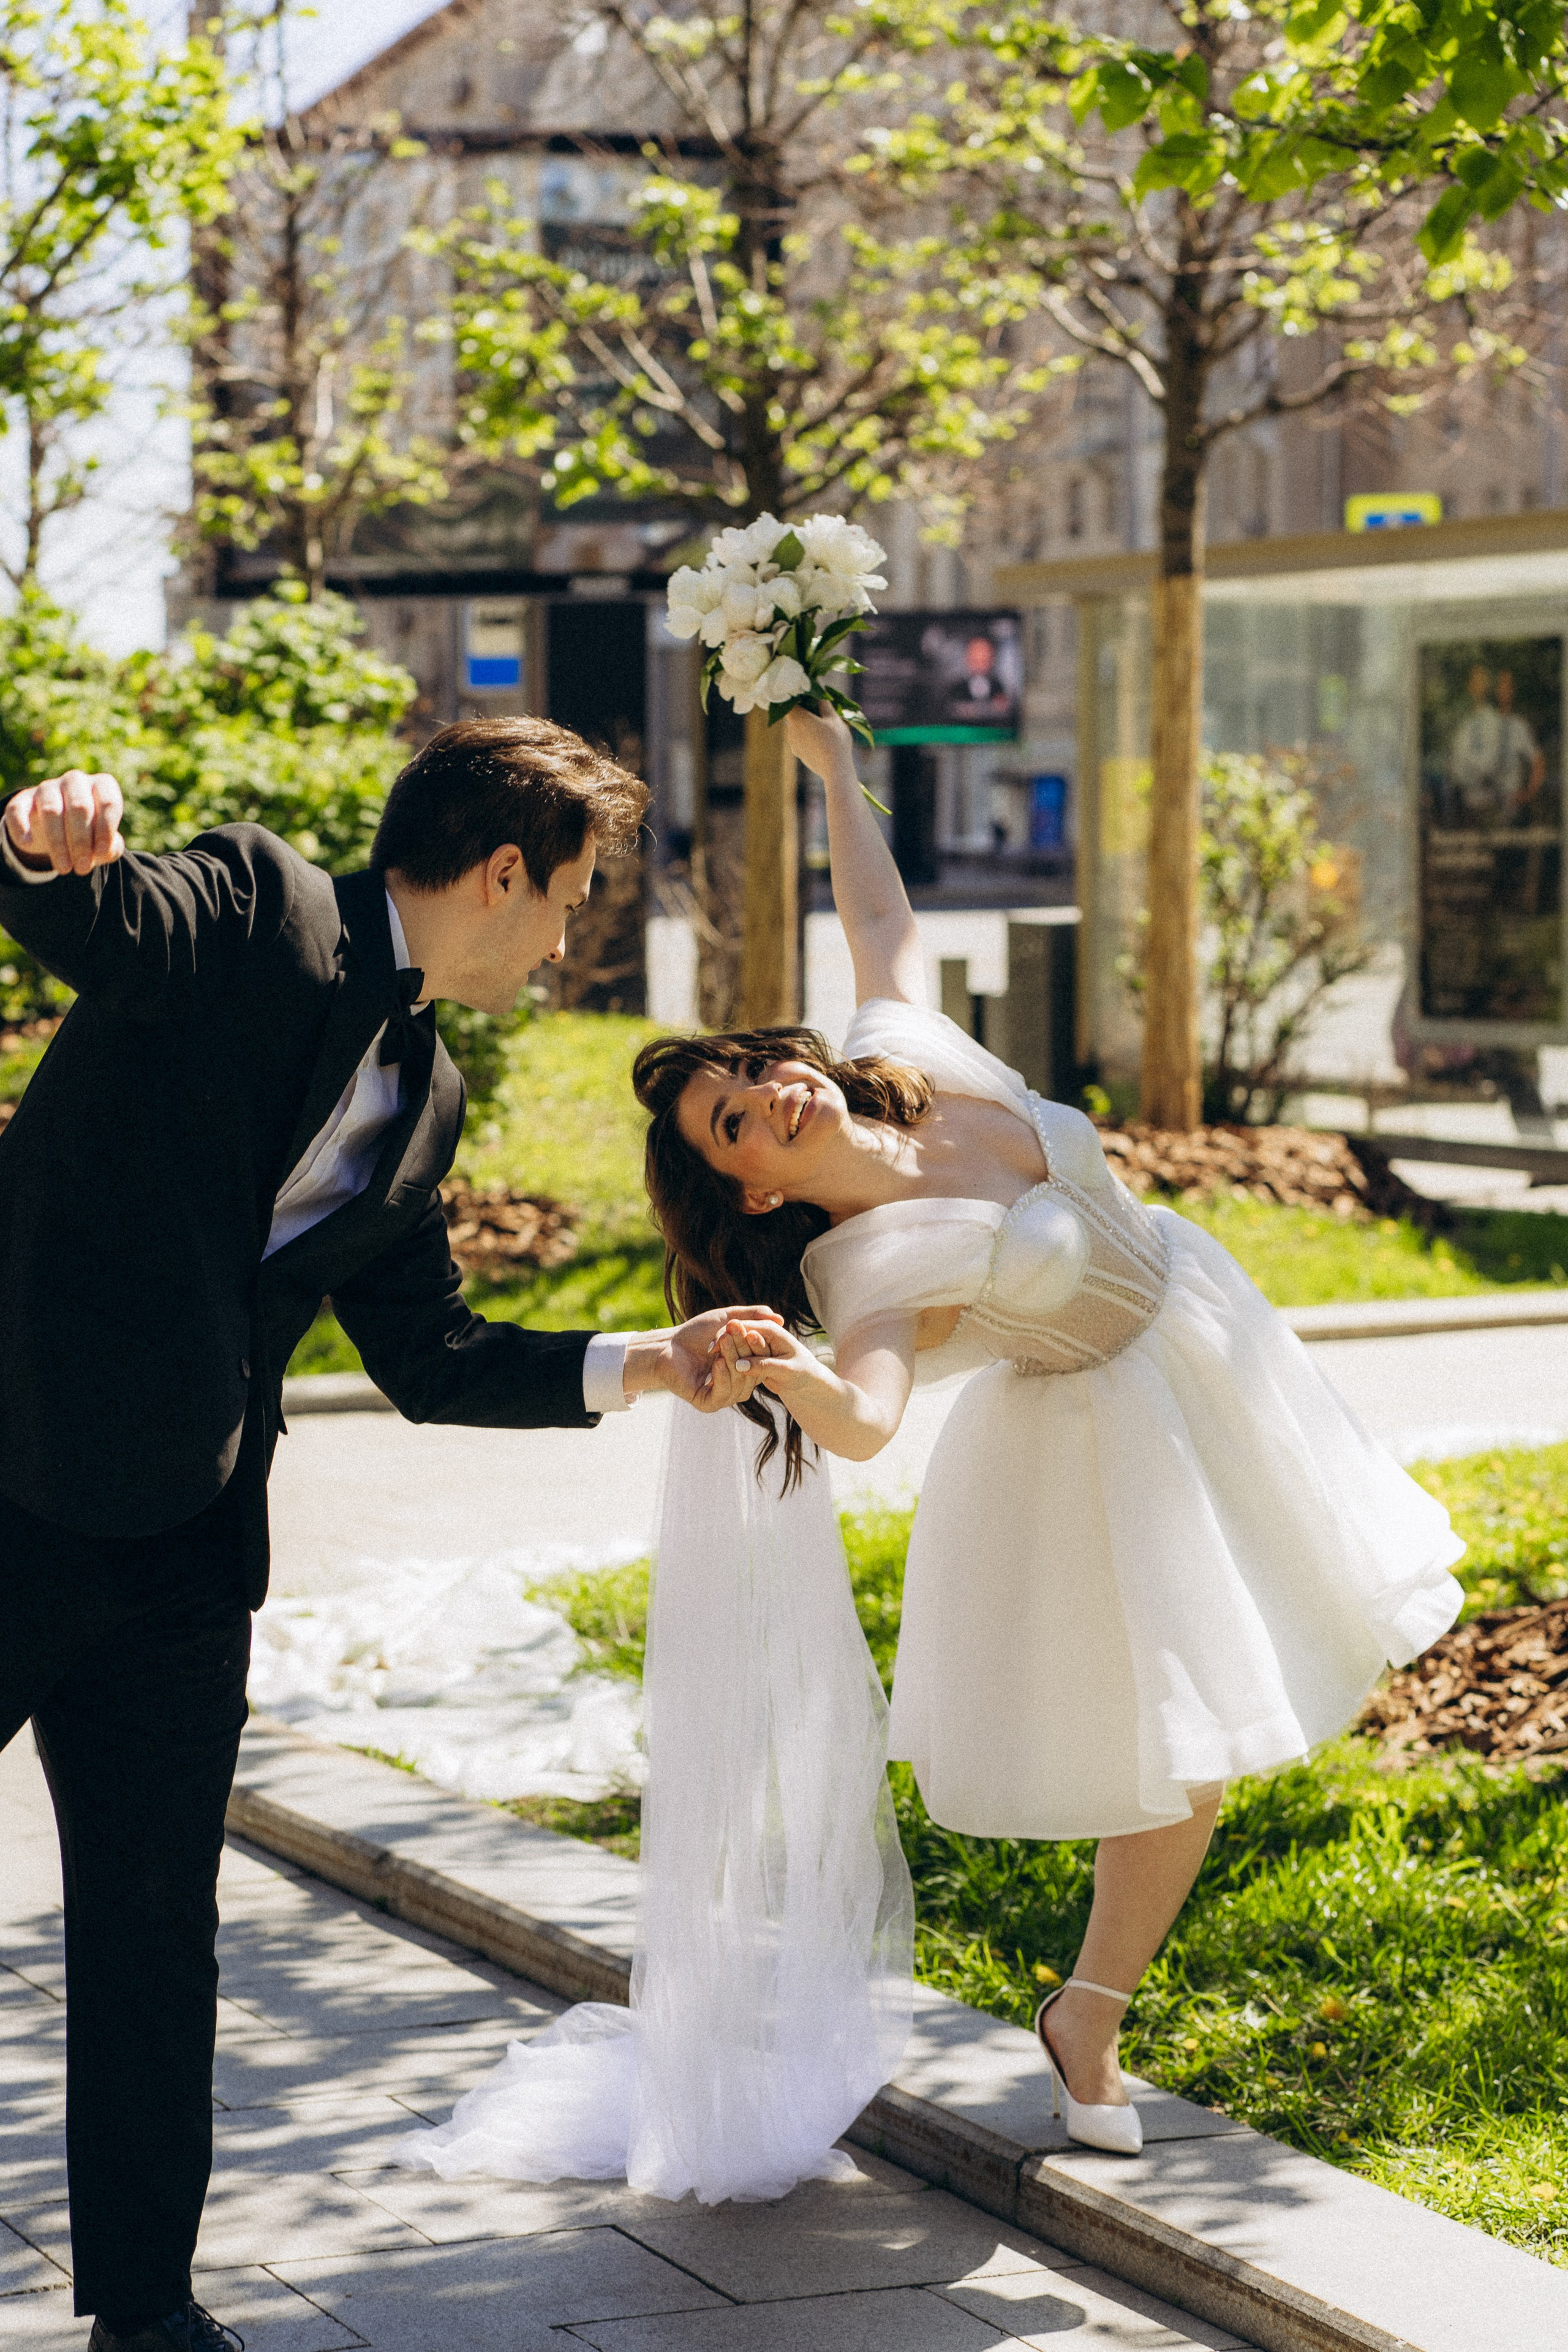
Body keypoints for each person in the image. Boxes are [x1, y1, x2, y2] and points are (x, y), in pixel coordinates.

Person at [0, 718, 775, 2352]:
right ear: (505, 872)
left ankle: (147, 2317)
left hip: (187, 1554)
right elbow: (101, 919)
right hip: (14, 1488)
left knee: (155, 1941)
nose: (567, 939)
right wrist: (44, 843)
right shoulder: (262, 904)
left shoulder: (425, 1092)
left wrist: (648, 1364)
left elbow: (428, 1357)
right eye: (567, 899)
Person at [632, 703, 1466, 2158]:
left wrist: (831, 769)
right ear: (752, 1194)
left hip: (1205, 1347)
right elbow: (871, 1420)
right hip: (1098, 1449)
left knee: (1294, 1648)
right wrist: (781, 1371)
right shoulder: (859, 1265)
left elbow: (877, 917)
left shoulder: (902, 1054)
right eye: (734, 1125)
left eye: (748, 1072)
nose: (765, 1093)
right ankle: (1087, 2013)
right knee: (1182, 1764)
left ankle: (1086, 2013)